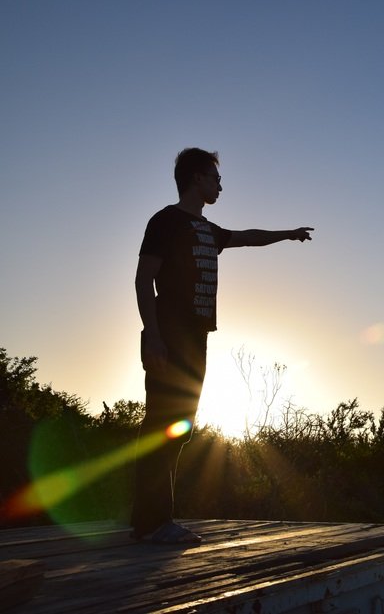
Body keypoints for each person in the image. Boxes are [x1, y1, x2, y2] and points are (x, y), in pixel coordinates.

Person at [130, 147, 313, 544]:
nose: (220, 185)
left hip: (197, 338)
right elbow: (144, 280)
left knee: (178, 430)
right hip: (169, 336)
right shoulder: (165, 221)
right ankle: (151, 523)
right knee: (160, 426)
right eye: (215, 177)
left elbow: (246, 237)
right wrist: (154, 335)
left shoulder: (207, 230)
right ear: (197, 177)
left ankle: (157, 520)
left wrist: (287, 234)